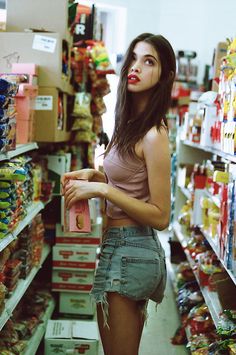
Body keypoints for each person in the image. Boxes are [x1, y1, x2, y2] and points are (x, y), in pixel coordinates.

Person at [62, 32, 176, 355]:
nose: (135, 67)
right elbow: (128, 185)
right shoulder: (130, 125)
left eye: (149, 61)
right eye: (134, 58)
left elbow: (161, 215)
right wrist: (95, 176)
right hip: (117, 248)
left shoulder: (155, 134)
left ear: (165, 76)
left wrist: (102, 188)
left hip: (133, 250)